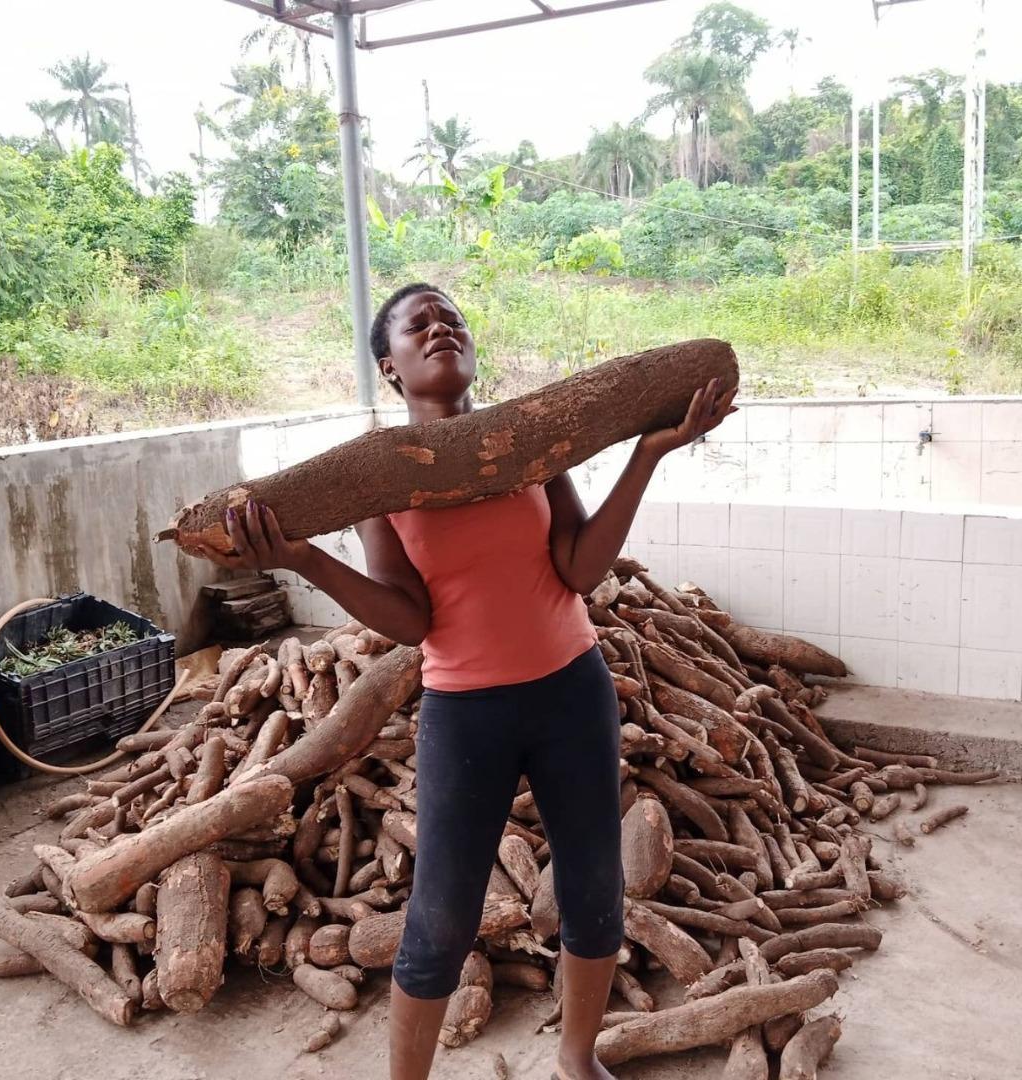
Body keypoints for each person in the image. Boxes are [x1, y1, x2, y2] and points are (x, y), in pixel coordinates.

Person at [184, 283, 736, 1080]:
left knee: (593, 889)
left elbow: (581, 569)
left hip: (571, 693)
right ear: (391, 366)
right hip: (467, 712)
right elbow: (409, 621)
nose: (442, 328)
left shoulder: (524, 444)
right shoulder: (377, 477)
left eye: (453, 318)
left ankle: (576, 1062)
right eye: (420, 324)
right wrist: (304, 557)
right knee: (441, 919)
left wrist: (647, 454)